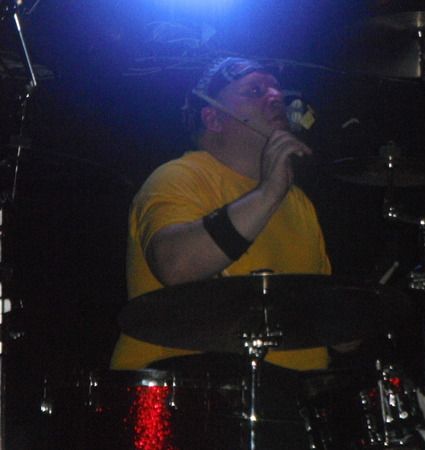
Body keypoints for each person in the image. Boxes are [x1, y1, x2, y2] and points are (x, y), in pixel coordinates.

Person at [109, 57, 333, 448]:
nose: (275, 97)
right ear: (213, 118)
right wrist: (269, 193)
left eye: (277, 89)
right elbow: (176, 265)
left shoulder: (300, 204)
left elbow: (328, 313)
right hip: (185, 406)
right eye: (255, 90)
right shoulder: (178, 177)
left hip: (294, 410)